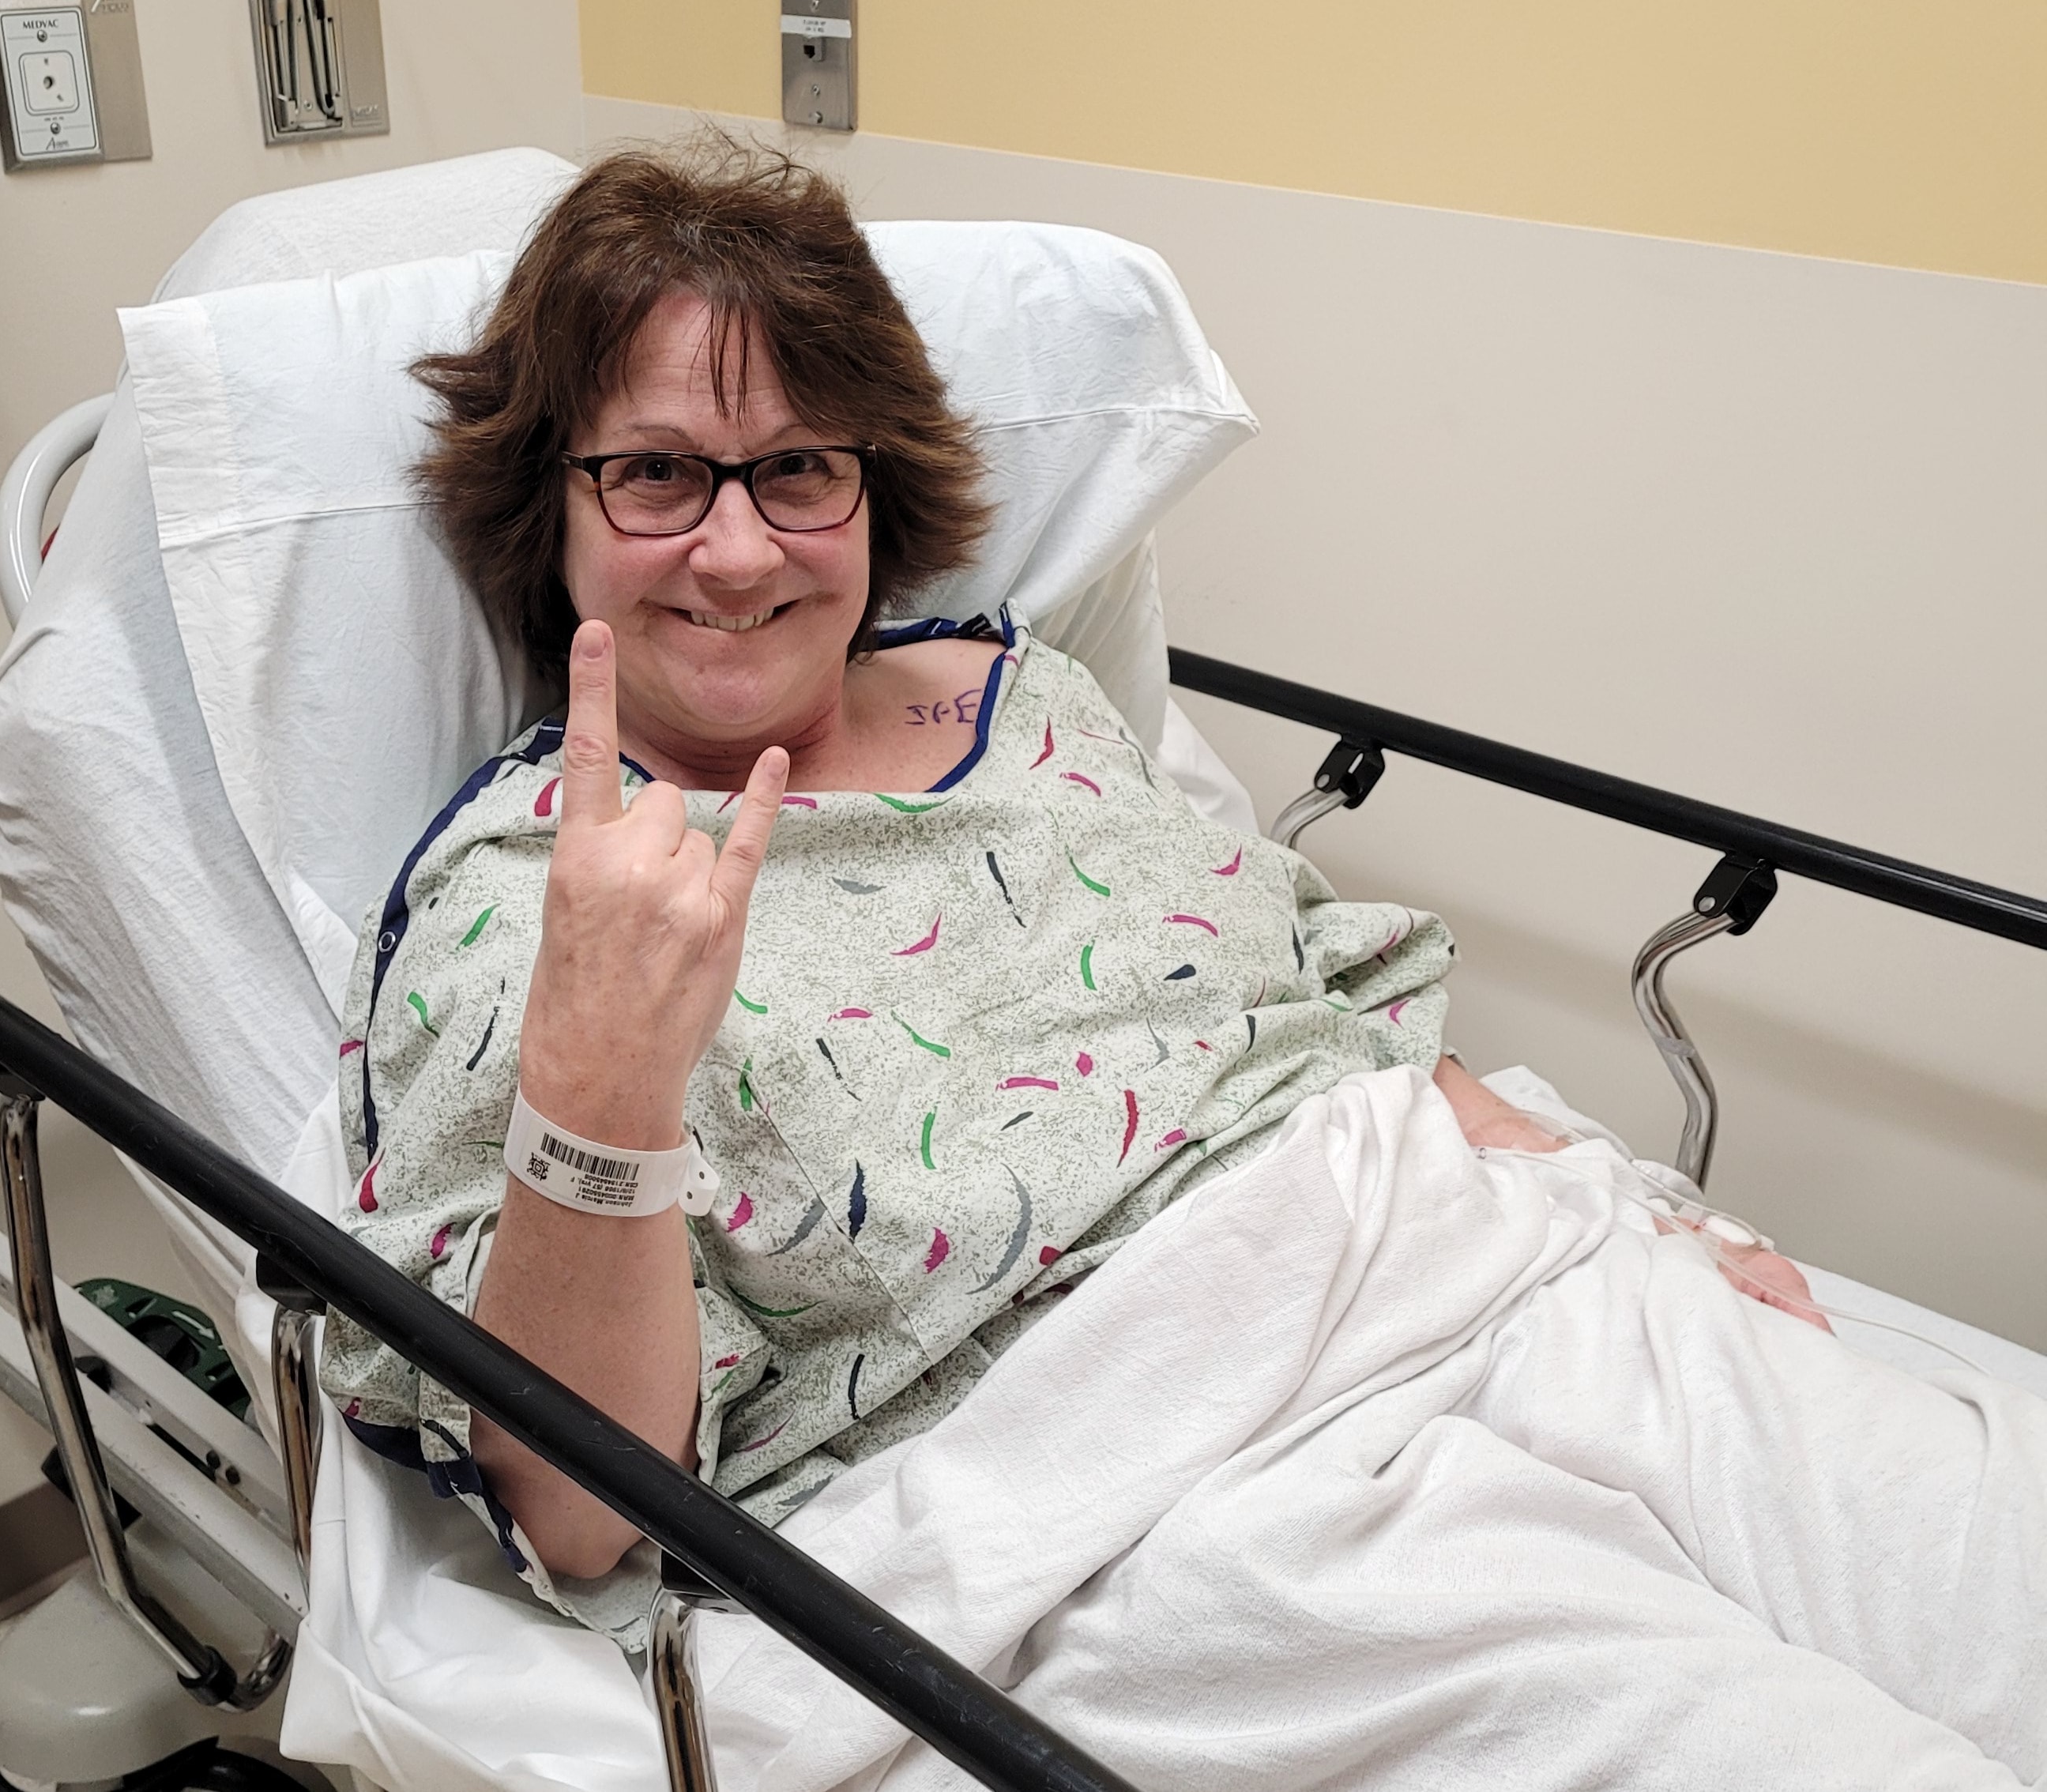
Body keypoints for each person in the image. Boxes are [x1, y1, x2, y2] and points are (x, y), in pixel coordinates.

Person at [322, 139, 1820, 1623]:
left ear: (872, 486)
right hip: (1166, 1487)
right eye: (653, 475)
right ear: (549, 511)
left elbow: (1308, 998)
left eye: (795, 469)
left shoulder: (1020, 693)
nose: (734, 549)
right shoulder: (530, 898)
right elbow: (583, 1516)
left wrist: (1619, 1209)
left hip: (1479, 1267)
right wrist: (601, 1081)